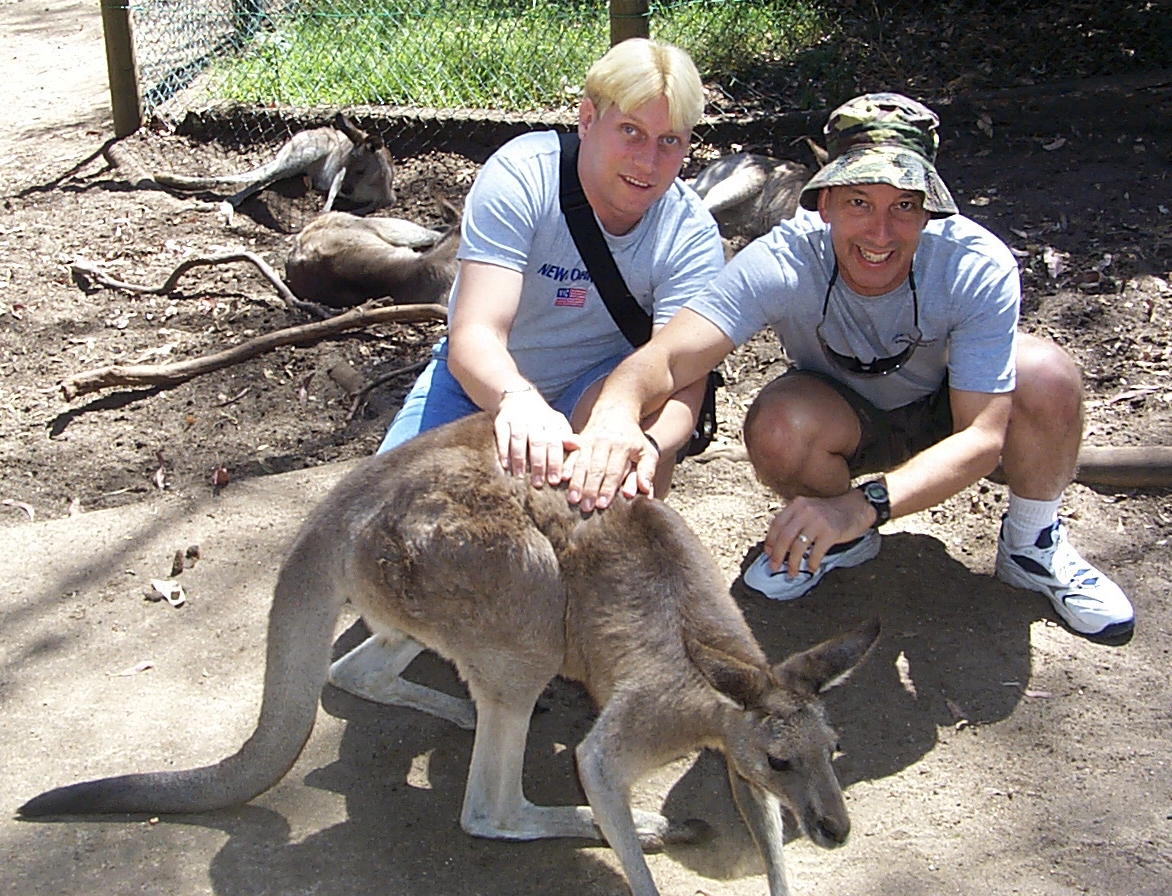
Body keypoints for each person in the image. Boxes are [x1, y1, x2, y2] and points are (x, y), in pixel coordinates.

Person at [569, 92, 1134, 642]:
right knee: (778, 425)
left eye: (904, 206)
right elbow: (668, 355)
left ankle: (1032, 545)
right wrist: (616, 414)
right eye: (859, 202)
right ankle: (837, 539)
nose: (879, 233)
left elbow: (983, 435)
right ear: (826, 202)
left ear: (929, 209)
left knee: (1047, 373)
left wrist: (865, 505)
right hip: (843, 420)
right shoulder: (787, 257)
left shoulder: (973, 262)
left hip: (949, 411)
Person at [328, 38, 726, 710]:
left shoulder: (687, 232)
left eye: (670, 142)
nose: (649, 161)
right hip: (486, 383)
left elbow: (686, 379)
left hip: (600, 390)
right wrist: (517, 401)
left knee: (625, 465)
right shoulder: (526, 174)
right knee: (385, 551)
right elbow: (475, 335)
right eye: (631, 131)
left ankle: (580, 624)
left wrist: (648, 446)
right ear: (588, 118)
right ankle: (513, 608)